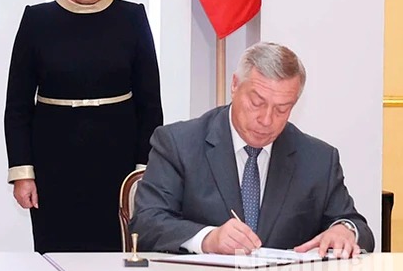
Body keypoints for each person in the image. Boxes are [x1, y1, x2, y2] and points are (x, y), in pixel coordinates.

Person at [4, 0, 163, 253]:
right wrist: (22, 172)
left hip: (117, 163)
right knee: (56, 261)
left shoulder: (132, 19)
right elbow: (17, 107)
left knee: (115, 262)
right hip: (52, 165)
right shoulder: (37, 21)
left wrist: (143, 172)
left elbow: (150, 105)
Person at [132, 42, 374, 257]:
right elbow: (146, 224)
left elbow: (358, 227)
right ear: (235, 85)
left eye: (281, 109)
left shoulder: (318, 159)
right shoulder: (178, 144)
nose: (266, 120)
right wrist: (207, 239)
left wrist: (344, 230)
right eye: (257, 103)